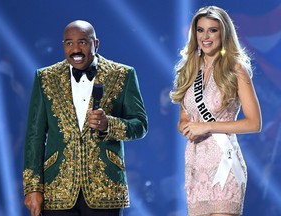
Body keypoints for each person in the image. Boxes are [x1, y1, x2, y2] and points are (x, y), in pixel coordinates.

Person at [23, 20, 148, 216]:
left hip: (105, 189)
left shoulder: (122, 74)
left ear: (95, 44)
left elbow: (140, 125)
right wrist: (33, 187)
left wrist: (109, 125)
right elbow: (34, 137)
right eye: (69, 43)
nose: (75, 49)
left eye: (82, 42)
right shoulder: (45, 78)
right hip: (57, 189)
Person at [170, 6, 261, 216]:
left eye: (213, 30)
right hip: (195, 165)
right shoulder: (189, 70)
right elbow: (184, 118)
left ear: (223, 33)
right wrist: (185, 127)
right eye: (200, 30)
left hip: (225, 163)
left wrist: (206, 126)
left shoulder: (235, 69)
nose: (206, 36)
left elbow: (254, 123)